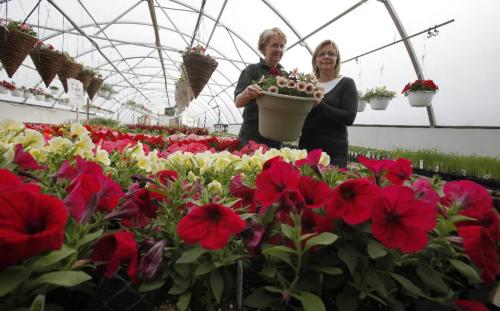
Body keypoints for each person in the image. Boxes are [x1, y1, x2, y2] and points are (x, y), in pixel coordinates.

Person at [299, 40, 358, 168]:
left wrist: (320, 106)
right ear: (315, 60)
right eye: (321, 54)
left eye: (331, 54)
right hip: (306, 149)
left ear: (337, 59)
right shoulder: (307, 85)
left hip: (334, 153)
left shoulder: (346, 83)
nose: (326, 56)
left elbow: (349, 117)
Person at [234, 27, 287, 149]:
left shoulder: (285, 76)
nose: (279, 49)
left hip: (276, 138)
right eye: (274, 45)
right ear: (263, 48)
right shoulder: (252, 70)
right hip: (252, 136)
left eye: (281, 46)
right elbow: (238, 102)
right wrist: (247, 92)